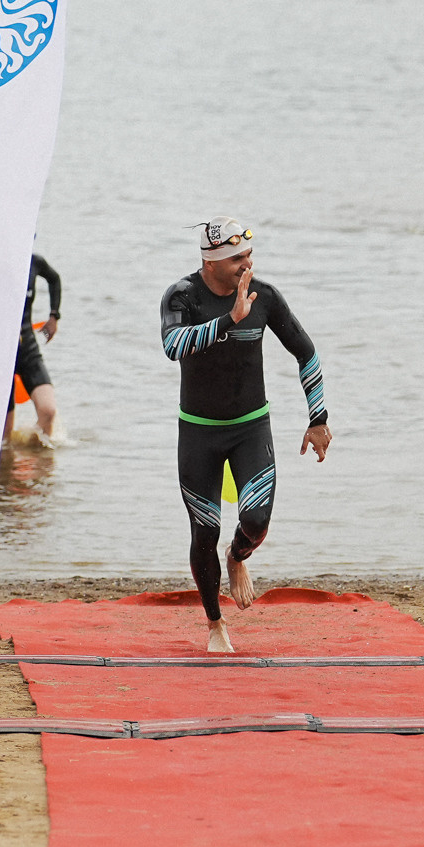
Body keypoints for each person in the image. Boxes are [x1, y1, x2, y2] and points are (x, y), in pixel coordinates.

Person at [159, 217, 331, 654]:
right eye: (237, 258)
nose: (246, 264)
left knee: (254, 523)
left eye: (248, 256)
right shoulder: (182, 296)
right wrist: (229, 321)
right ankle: (215, 623)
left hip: (250, 427)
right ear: (210, 261)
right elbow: (173, 347)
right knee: (204, 531)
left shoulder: (264, 296)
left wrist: (318, 418)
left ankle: (238, 557)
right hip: (199, 432)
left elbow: (305, 351)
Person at [9, 252, 62, 441]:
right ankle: (9, 466)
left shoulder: (34, 261)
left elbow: (54, 278)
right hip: (2, 356)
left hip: (27, 348)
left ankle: (40, 465)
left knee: (48, 412)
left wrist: (54, 316)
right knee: (4, 438)